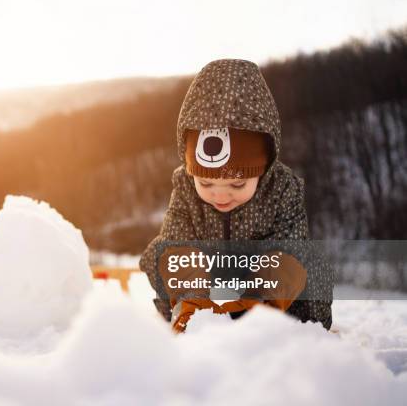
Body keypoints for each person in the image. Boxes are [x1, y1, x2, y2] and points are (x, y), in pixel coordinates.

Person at [138, 59, 333, 333]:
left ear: (263, 168)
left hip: (264, 288)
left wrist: (258, 304)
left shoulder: (282, 189)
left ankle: (304, 333)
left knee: (309, 266)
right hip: (204, 283)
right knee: (162, 255)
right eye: (205, 182)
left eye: (237, 185)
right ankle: (182, 320)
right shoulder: (184, 187)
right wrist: (195, 299)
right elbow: (176, 246)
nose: (220, 195)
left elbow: (288, 253)